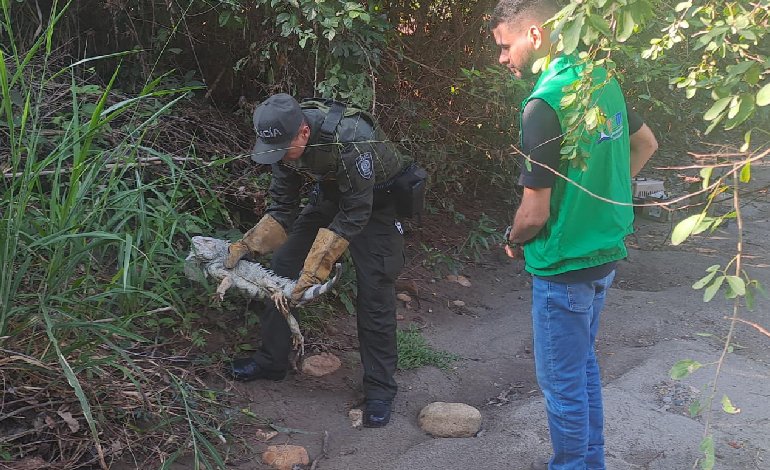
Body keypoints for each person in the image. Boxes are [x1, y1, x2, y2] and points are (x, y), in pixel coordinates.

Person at [490, 1, 659, 469]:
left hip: (564, 266)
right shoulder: (601, 80)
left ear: (536, 36)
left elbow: (534, 214)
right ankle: (592, 462)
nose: (503, 58)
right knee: (582, 368)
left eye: (506, 45)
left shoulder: (543, 105)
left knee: (562, 383)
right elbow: (646, 143)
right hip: (604, 254)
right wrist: (605, 196)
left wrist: (513, 236)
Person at [225, 93, 412, 428]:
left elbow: (356, 213)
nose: (279, 157)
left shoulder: (351, 138)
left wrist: (318, 266)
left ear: (304, 133)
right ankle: (271, 361)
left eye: (284, 149)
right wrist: (248, 245)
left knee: (375, 291)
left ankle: (380, 390)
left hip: (376, 204)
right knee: (280, 267)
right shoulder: (283, 146)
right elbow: (283, 207)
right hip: (331, 195)